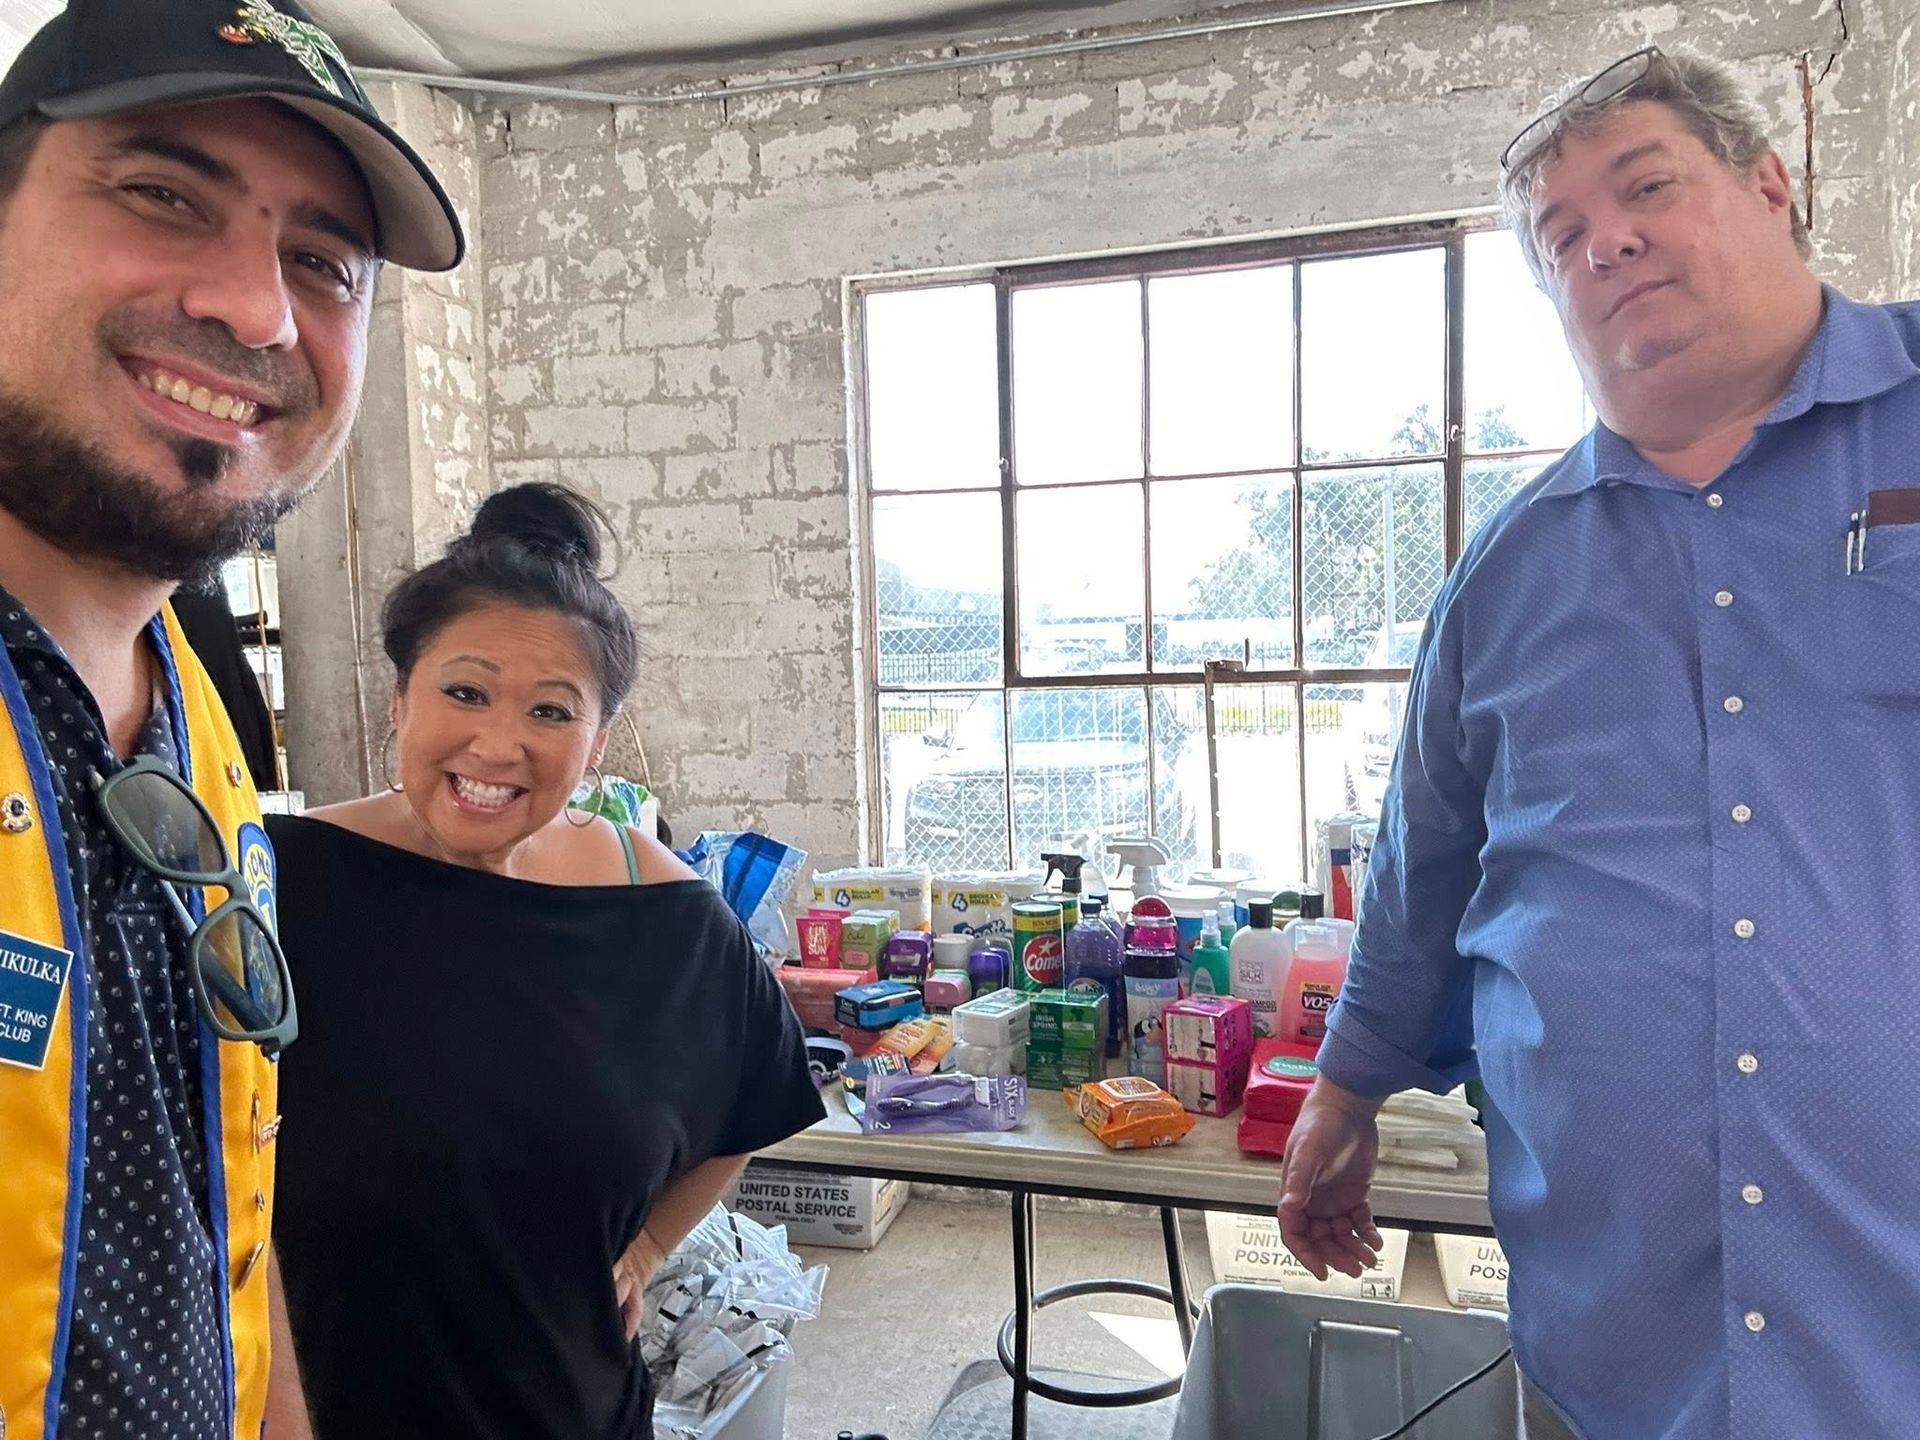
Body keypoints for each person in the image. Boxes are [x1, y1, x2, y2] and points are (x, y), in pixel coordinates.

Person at [1278, 45, 1920, 1440]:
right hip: (1617, 1341)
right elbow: (1423, 862)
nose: (1608, 239)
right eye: (1563, 234)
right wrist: (1346, 1090)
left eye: (1647, 187)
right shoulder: (1509, 571)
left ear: (1769, 185)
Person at [0, 0, 462, 1435]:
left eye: (321, 262)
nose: (257, 311)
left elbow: (215, 1221)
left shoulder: (194, 722)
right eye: (160, 193)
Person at [266, 482, 826, 1440]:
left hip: (572, 1410)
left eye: (552, 712)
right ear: (401, 697)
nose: (499, 744)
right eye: (466, 691)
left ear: (598, 739)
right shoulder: (283, 883)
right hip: (317, 1406)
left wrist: (648, 1246)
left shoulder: (666, 918)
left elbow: (756, 1095)